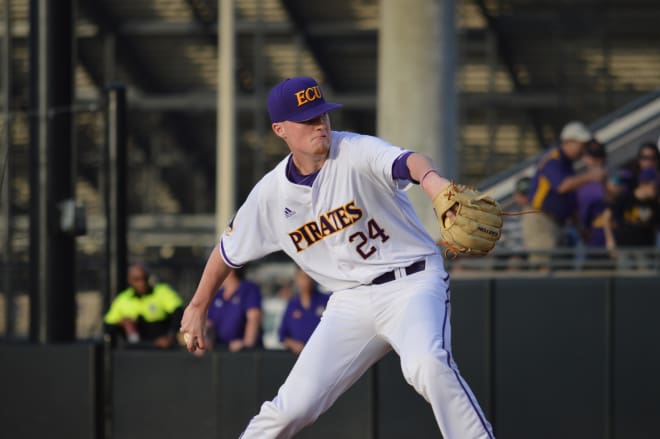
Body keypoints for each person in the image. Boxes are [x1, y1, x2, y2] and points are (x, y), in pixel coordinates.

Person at [180, 76, 495, 438]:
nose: (320, 125)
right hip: (349, 301)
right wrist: (198, 305)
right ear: (280, 129)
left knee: (426, 364)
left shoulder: (354, 151)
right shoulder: (269, 195)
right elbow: (226, 253)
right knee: (291, 407)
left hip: (411, 283)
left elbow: (409, 161)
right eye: (308, 120)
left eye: (322, 115)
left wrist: (434, 182)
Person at [525, 122, 606, 268]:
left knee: (558, 267)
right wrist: (590, 176)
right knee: (545, 267)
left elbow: (569, 199)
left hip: (556, 222)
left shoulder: (567, 163)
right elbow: (562, 186)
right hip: (542, 219)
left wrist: (579, 226)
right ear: (568, 142)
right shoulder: (554, 159)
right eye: (582, 144)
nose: (584, 148)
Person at [104, 263, 184, 349]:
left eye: (144, 279)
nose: (142, 283)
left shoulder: (162, 291)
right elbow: (108, 324)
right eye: (137, 280)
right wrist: (123, 323)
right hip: (134, 350)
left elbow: (178, 311)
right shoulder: (122, 299)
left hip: (163, 348)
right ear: (129, 280)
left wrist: (170, 336)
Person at [605, 167, 660, 269]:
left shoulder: (654, 204)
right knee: (626, 281)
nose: (657, 189)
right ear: (643, 184)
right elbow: (607, 217)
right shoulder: (625, 199)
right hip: (624, 249)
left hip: (645, 251)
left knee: (646, 280)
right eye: (655, 186)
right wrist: (610, 240)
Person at [203, 267, 263, 352]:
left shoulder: (249, 289)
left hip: (244, 355)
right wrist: (204, 340)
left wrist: (246, 344)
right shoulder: (218, 295)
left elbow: (254, 318)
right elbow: (209, 323)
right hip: (220, 351)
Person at [278, 269, 330, 355]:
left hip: (323, 354)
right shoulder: (292, 305)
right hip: (298, 356)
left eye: (308, 277)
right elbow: (282, 335)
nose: (305, 281)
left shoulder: (326, 300)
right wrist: (293, 344)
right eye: (302, 277)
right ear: (296, 279)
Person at [575, 139, 610, 265]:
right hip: (590, 243)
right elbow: (579, 221)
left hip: (616, 241)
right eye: (592, 156)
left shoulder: (616, 180)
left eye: (599, 155)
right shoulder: (579, 185)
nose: (596, 160)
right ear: (585, 158)